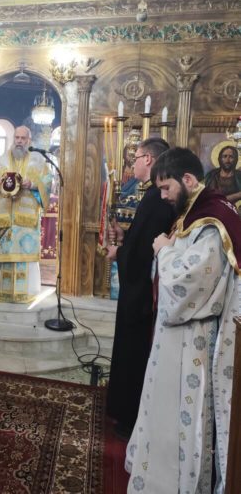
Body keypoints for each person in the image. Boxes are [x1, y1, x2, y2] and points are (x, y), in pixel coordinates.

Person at [126, 147, 241, 493]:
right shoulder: (196, 213)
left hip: (191, 338)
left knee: (176, 414)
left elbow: (184, 285)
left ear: (188, 180)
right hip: (178, 335)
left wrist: (163, 249)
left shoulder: (213, 223)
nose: (162, 196)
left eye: (166, 188)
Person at [106, 138, 175, 439]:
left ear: (148, 159)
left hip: (142, 294)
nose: (131, 163)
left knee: (134, 352)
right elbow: (142, 239)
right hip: (141, 289)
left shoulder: (156, 198)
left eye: (135, 157)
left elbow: (143, 253)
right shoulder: (153, 195)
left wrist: (117, 252)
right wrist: (125, 237)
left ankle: (129, 416)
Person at [0, 126, 52, 304]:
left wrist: (33, 184)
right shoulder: (3, 159)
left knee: (25, 255)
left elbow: (48, 180)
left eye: (23, 138)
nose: (19, 141)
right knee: (4, 254)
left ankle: (27, 292)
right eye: (17, 137)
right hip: (5, 217)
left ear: (29, 140)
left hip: (26, 220)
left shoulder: (38, 160)